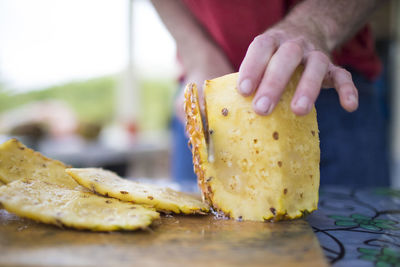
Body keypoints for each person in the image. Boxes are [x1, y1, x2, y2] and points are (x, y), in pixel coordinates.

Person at [151, 0, 390, 188]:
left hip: (319, 83)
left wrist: (316, 24)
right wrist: (197, 53)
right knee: (199, 245)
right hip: (204, 95)